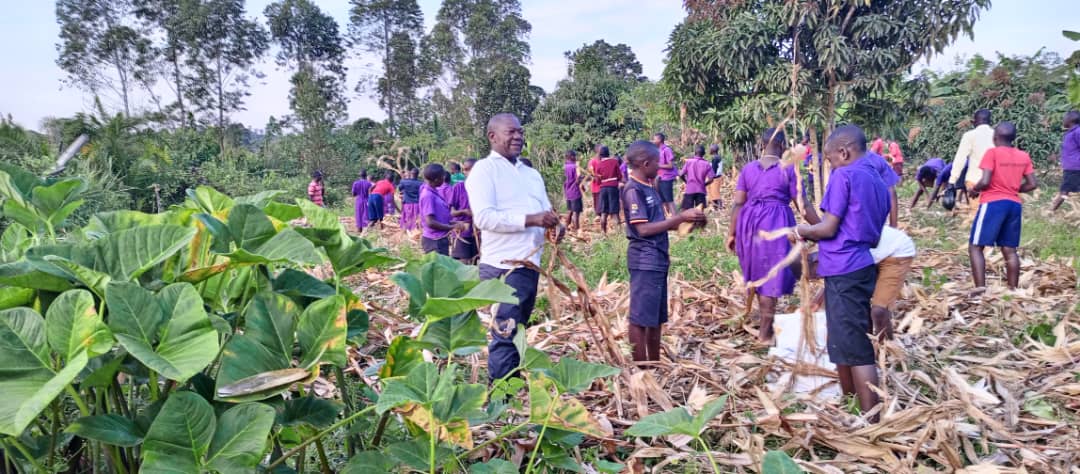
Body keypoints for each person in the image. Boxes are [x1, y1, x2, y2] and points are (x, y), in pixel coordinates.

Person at [793, 125, 890, 421]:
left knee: (857, 345)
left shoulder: (845, 175)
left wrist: (801, 230)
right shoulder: (876, 178)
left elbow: (828, 228)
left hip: (845, 266)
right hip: (858, 263)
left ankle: (870, 419)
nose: (831, 164)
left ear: (843, 152)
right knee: (841, 338)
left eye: (832, 159)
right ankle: (851, 403)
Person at [466, 113, 560, 381]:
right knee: (505, 333)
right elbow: (483, 217)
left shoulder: (531, 174)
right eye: (511, 132)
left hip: (529, 265)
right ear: (492, 137)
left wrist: (554, 226)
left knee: (518, 331)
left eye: (520, 131)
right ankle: (501, 403)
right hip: (503, 266)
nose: (518, 136)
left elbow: (545, 211)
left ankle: (513, 393)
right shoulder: (484, 171)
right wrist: (532, 219)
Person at [622, 140, 706, 361]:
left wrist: (691, 220)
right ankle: (642, 370)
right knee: (640, 319)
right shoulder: (633, 190)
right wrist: (678, 218)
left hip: (657, 258)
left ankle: (655, 363)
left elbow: (663, 224)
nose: (661, 166)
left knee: (655, 318)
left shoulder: (650, 187)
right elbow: (642, 229)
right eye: (657, 162)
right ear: (645, 163)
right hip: (644, 259)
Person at [727, 129, 803, 342]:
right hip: (776, 224)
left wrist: (731, 233)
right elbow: (802, 205)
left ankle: (765, 329)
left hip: (748, 225)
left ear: (761, 145)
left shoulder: (748, 169)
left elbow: (738, 203)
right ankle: (764, 334)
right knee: (771, 277)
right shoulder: (788, 169)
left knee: (761, 275)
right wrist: (824, 227)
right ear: (782, 145)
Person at [968, 122, 1037, 290]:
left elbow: (985, 181)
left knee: (975, 246)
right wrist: (1013, 189)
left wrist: (974, 189)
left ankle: (980, 289)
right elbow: (1032, 184)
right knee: (1009, 249)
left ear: (995, 137)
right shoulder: (1023, 156)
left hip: (993, 203)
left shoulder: (992, 153)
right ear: (1013, 138)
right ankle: (1012, 289)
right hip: (1014, 204)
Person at [948, 109, 995, 215]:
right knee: (992, 214)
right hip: (994, 181)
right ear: (989, 121)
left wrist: (952, 181)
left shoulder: (969, 135)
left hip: (974, 181)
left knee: (976, 214)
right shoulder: (997, 135)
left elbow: (960, 158)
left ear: (975, 121)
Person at [419, 163, 464, 255]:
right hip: (434, 241)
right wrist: (452, 227)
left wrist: (453, 223)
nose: (444, 179)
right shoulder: (428, 196)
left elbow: (439, 216)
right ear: (436, 179)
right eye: (442, 177)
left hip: (439, 239)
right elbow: (430, 222)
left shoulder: (434, 192)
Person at [450, 158, 478, 263]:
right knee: (464, 263)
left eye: (471, 169)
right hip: (463, 231)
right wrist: (464, 212)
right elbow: (452, 212)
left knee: (475, 261)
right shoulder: (458, 187)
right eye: (466, 169)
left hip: (478, 232)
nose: (468, 172)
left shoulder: (485, 187)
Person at [1052, 110, 1080, 211]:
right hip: (1071, 168)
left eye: (1064, 118)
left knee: (1065, 191)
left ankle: (1050, 211)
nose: (1063, 120)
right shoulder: (1070, 133)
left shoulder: (1077, 132)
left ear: (1070, 120)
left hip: (1074, 168)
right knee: (1069, 191)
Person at [595, 146, 623, 234]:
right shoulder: (614, 162)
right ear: (608, 153)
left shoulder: (598, 164)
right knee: (615, 211)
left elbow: (598, 180)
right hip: (613, 187)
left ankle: (603, 232)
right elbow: (619, 176)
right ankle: (619, 232)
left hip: (603, 188)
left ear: (600, 155)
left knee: (604, 211)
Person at [679, 145, 715, 210]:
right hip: (701, 190)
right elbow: (711, 179)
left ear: (695, 153)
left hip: (690, 189)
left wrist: (686, 182)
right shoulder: (707, 164)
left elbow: (681, 174)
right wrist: (704, 184)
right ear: (703, 154)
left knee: (687, 211)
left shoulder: (689, 162)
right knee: (700, 213)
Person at [653, 133, 678, 216]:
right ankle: (668, 217)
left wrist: (658, 166)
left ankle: (675, 219)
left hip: (667, 178)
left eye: (655, 139)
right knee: (662, 200)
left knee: (669, 200)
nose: (653, 141)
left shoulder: (667, 150)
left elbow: (670, 165)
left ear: (659, 140)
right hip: (660, 178)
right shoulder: (657, 150)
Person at [563, 150, 583, 231]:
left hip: (568, 192)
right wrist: (580, 177)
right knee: (576, 212)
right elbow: (577, 180)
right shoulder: (574, 167)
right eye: (574, 156)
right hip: (575, 191)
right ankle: (577, 229)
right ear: (571, 156)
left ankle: (566, 227)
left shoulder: (565, 167)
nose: (576, 158)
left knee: (570, 211)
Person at [587, 144, 603, 220]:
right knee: (597, 200)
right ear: (597, 151)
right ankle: (598, 215)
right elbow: (590, 171)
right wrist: (594, 176)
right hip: (596, 185)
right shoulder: (593, 161)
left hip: (603, 184)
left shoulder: (603, 160)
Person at [707, 144, 725, 209]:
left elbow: (713, 170)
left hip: (716, 177)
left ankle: (719, 206)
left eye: (710, 149)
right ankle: (716, 206)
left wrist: (710, 176)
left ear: (713, 150)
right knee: (714, 191)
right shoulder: (717, 157)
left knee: (715, 192)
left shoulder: (715, 158)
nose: (709, 150)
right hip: (718, 177)